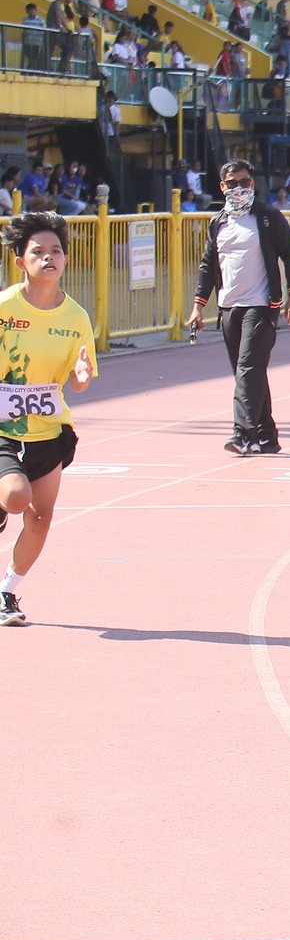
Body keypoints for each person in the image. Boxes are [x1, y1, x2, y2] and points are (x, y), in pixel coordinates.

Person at [0, 212, 98, 628]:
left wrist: (79, 376)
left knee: (40, 518)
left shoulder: (75, 317)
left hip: (49, 432)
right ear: (21, 262)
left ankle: (6, 593)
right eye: (38, 251)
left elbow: (80, 382)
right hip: (3, 429)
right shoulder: (4, 308)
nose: (49, 257)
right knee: (16, 497)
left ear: (66, 258)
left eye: (56, 250)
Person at [188, 161, 290, 455]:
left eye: (244, 181)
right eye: (231, 183)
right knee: (246, 373)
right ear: (222, 187)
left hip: (262, 305)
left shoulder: (267, 218)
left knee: (248, 367)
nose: (238, 188)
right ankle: (267, 435)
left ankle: (241, 433)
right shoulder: (218, 223)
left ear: (252, 184)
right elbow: (207, 266)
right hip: (229, 307)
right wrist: (198, 306)